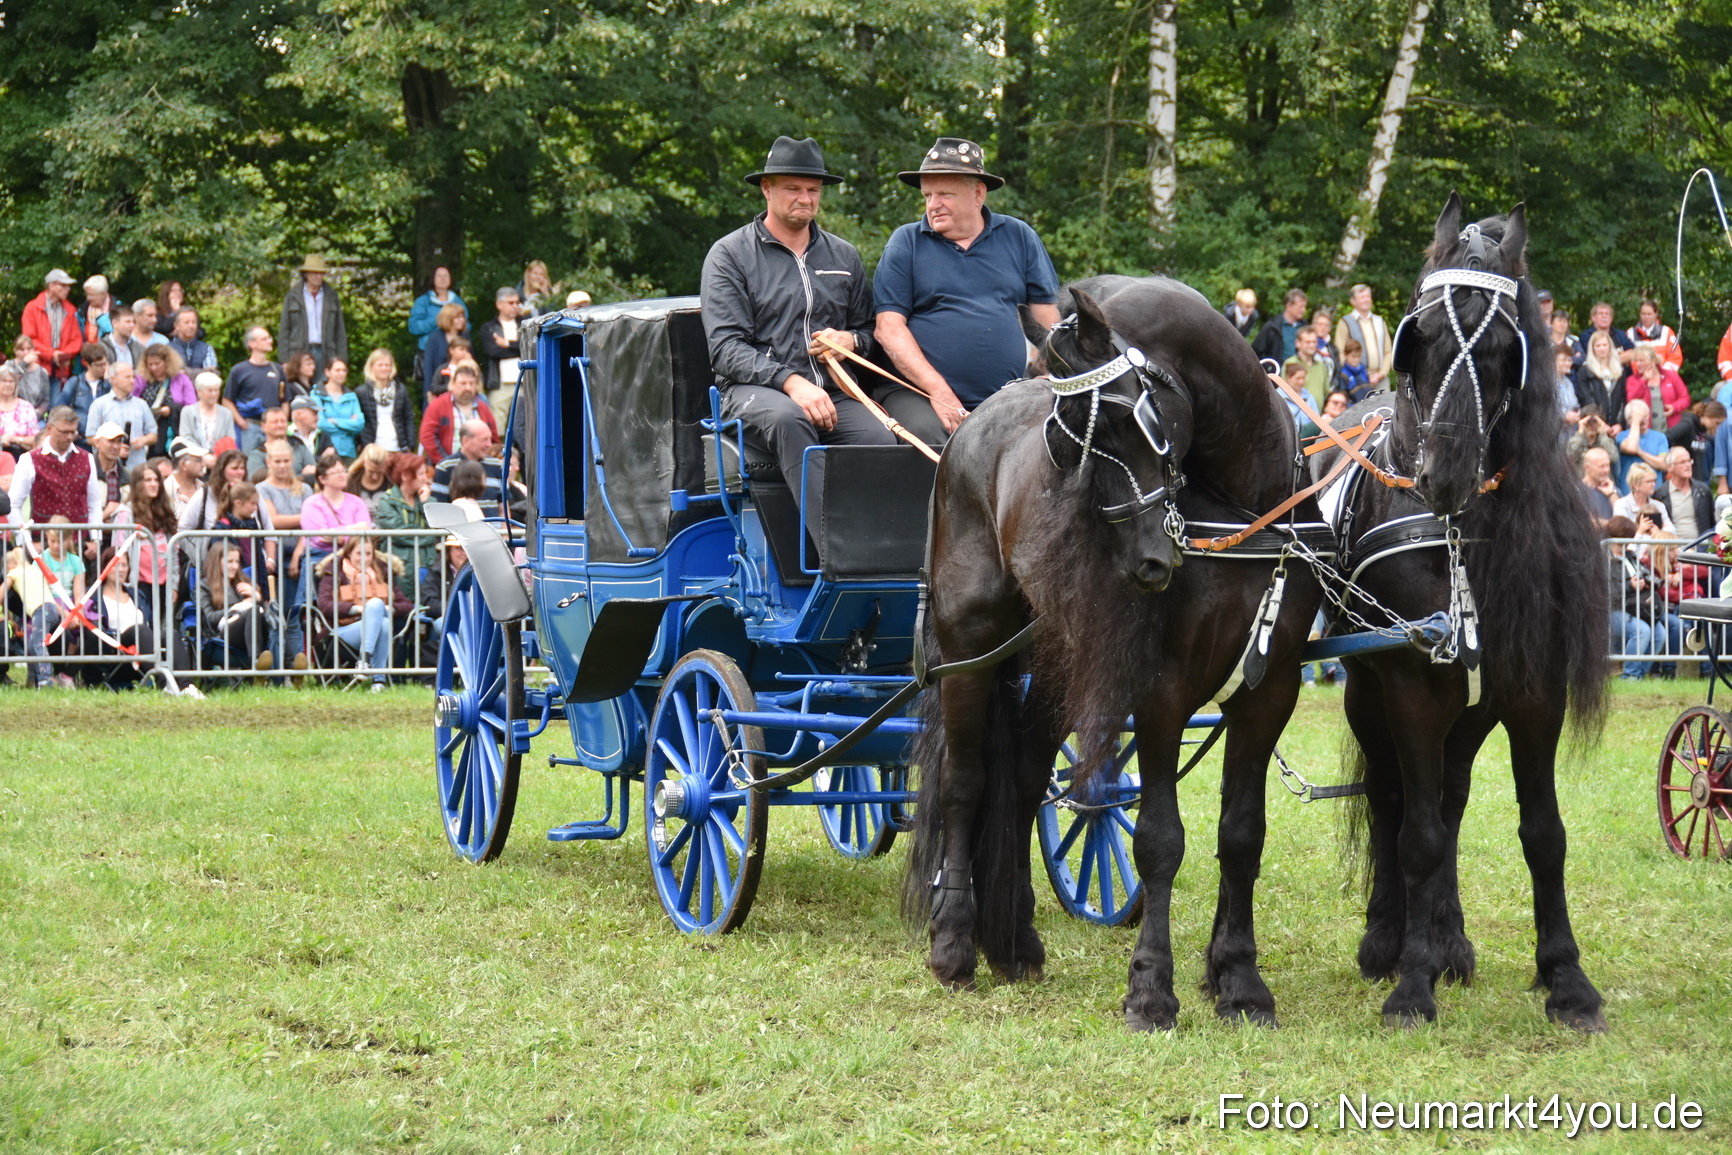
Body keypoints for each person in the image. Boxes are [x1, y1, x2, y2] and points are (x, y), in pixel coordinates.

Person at [873, 136, 1061, 441]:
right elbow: (888, 329)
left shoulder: (1018, 236)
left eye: (944, 194)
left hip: (1005, 394)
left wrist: (1051, 372)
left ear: (978, 194)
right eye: (928, 195)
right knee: (929, 434)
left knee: (1043, 440)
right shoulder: (906, 242)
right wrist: (939, 392)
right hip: (916, 394)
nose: (933, 205)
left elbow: (1049, 320)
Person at [314, 535, 409, 690]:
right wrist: (358, 609)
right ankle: (378, 679)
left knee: (382, 619)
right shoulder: (334, 571)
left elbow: (406, 605)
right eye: (359, 553)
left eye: (368, 554)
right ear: (349, 553)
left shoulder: (382, 572)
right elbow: (324, 605)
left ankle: (365, 664)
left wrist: (386, 610)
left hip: (378, 630)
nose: (364, 559)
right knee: (376, 607)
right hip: (344, 631)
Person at [9, 517, 85, 687]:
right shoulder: (41, 561)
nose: (56, 546)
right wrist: (65, 614)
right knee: (53, 632)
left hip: (72, 605)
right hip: (49, 604)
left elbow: (80, 592)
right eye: (52, 541)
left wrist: (76, 611)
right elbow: (42, 592)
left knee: (88, 634)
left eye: (61, 542)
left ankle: (69, 674)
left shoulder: (76, 561)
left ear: (69, 540)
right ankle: (48, 675)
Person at [256, 440, 311, 667]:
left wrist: (299, 552)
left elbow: (309, 529)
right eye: (277, 461)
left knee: (293, 614)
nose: (282, 466)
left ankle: (294, 666)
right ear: (268, 462)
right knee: (275, 614)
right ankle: (276, 669)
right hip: (272, 556)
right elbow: (274, 520)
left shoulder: (305, 489)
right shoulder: (262, 488)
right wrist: (307, 516)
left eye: (286, 461)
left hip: (297, 554)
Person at [7, 407, 104, 526]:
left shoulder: (87, 458)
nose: (69, 437)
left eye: (73, 432)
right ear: (49, 428)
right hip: (42, 539)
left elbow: (94, 504)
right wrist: (26, 540)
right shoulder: (29, 459)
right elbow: (13, 504)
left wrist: (95, 539)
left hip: (80, 540)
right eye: (64, 432)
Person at [109, 462, 177, 626]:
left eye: (156, 480)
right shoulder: (126, 514)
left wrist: (174, 585)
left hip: (163, 585)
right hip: (137, 585)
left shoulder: (164, 512)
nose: (154, 484)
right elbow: (118, 553)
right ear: (138, 484)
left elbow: (174, 552)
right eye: (148, 480)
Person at [197, 541, 277, 672]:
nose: (234, 566)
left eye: (237, 562)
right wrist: (238, 607)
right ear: (217, 562)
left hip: (255, 630)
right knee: (253, 611)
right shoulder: (204, 586)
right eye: (229, 562)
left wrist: (258, 598)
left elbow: (265, 614)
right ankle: (256, 663)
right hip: (226, 631)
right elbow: (210, 618)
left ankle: (291, 664)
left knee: (274, 620)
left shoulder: (243, 582)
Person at [85, 546, 155, 689]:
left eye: (124, 565)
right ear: (105, 567)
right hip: (114, 652)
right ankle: (159, 677)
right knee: (140, 630)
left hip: (142, 649)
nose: (121, 570)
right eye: (116, 565)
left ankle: (183, 685)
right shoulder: (93, 597)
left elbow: (152, 625)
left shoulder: (138, 595)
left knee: (170, 634)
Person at [278, 254, 348, 379]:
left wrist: (342, 359)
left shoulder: (331, 296)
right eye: (314, 273)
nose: (318, 276)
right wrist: (284, 360)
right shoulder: (293, 296)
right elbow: (284, 329)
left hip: (327, 352)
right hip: (298, 353)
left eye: (321, 273)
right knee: (299, 391)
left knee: (324, 390)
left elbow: (340, 331)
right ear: (306, 274)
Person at [374, 450, 437, 583]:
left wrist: (426, 503)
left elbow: (437, 527)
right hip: (399, 571)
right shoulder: (386, 501)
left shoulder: (427, 500)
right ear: (405, 475)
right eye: (421, 474)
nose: (425, 479)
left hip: (428, 566)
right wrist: (428, 535)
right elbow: (402, 534)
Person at [223, 326, 288, 452]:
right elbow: (227, 400)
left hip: (273, 428)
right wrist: (242, 423)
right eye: (264, 339)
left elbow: (285, 399)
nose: (270, 341)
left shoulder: (277, 369)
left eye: (269, 338)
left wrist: (281, 421)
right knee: (249, 464)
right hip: (250, 427)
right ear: (252, 344)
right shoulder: (239, 370)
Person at [85, 363, 158, 471]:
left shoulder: (141, 404)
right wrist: (113, 447)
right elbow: (91, 437)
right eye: (127, 377)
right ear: (113, 379)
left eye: (133, 377)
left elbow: (153, 434)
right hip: (107, 469)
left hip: (137, 468)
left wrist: (144, 440)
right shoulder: (99, 404)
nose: (132, 381)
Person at [418, 362, 496, 461]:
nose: (468, 387)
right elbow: (427, 437)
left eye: (471, 383)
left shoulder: (483, 408)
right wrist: (445, 463)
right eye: (463, 383)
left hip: (479, 467)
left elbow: (494, 439)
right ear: (452, 384)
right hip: (446, 466)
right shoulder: (437, 406)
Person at [20, 269, 84, 382]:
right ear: (52, 285)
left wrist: (64, 356)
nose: (68, 289)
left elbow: (77, 340)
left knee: (59, 400)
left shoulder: (70, 309)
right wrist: (52, 354)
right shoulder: (32, 308)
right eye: (63, 285)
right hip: (36, 368)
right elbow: (29, 340)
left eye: (68, 286)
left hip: (61, 371)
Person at [430, 419, 505, 515]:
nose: (489, 444)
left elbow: (503, 507)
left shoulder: (496, 465)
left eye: (490, 439)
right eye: (484, 440)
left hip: (494, 529)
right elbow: (439, 508)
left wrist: (505, 529)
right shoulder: (446, 467)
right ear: (466, 440)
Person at [1334, 283, 1395, 391]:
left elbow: (1388, 351)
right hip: (1357, 380)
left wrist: (1381, 374)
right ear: (1353, 301)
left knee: (1386, 407)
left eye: (1368, 296)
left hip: (1381, 380)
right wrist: (1352, 374)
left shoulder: (1379, 321)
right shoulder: (1345, 322)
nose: (1366, 300)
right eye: (1362, 297)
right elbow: (1340, 351)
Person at [137, 345, 194, 457]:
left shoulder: (181, 379)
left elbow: (191, 406)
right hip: (148, 430)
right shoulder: (142, 379)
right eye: (150, 364)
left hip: (171, 430)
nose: (153, 368)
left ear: (167, 362)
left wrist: (172, 409)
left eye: (157, 364)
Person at [179, 448, 249, 538]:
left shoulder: (252, 492)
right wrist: (198, 550)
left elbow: (267, 530)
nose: (240, 472)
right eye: (234, 468)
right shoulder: (205, 494)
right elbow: (183, 528)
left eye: (242, 468)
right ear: (222, 470)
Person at [355, 348, 414, 454]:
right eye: (380, 365)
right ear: (372, 367)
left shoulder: (400, 390)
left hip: (398, 447)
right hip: (373, 449)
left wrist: (410, 444)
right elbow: (358, 422)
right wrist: (362, 444)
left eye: (387, 365)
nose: (384, 368)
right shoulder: (361, 392)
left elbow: (408, 418)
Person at [408, 265, 466, 366]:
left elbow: (467, 326)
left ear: (450, 279)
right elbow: (414, 327)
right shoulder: (423, 301)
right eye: (439, 275)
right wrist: (439, 319)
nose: (443, 278)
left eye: (446, 275)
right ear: (432, 279)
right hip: (430, 352)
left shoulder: (458, 302)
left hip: (456, 352)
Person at [477, 286, 524, 412]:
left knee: (526, 425)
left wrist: (507, 343)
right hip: (499, 385)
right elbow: (492, 351)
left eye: (517, 303)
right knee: (497, 425)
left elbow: (531, 347)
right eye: (511, 303)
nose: (515, 306)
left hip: (525, 383)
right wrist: (518, 347)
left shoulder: (526, 324)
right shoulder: (488, 327)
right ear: (499, 304)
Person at [1656, 444, 1712, 546]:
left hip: (1700, 551)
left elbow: (1711, 524)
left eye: (1689, 461)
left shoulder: (1703, 491)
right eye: (1682, 462)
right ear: (1670, 467)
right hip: (1672, 551)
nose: (1688, 465)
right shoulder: (1660, 494)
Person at [1624, 346, 1688, 431]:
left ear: (1653, 361)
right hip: (1646, 430)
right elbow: (1630, 400)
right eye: (1636, 360)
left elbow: (1685, 398)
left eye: (1641, 360)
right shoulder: (1632, 380)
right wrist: (1644, 380)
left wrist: (1674, 407)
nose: (1638, 364)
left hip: (1672, 429)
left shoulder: (1671, 376)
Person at [179, 371, 239, 459]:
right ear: (199, 392)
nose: (214, 394)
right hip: (195, 459)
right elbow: (186, 438)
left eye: (216, 390)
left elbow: (230, 438)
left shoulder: (226, 413)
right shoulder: (187, 411)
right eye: (210, 391)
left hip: (219, 460)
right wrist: (203, 456)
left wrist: (216, 457)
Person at [314, 357, 364, 460]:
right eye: (337, 370)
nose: (341, 373)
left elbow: (359, 424)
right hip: (326, 451)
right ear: (327, 372)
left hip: (348, 451)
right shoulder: (317, 394)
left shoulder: (351, 396)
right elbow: (320, 423)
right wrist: (349, 424)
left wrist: (335, 421)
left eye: (344, 370)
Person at [50, 343, 107, 432]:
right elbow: (59, 408)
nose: (104, 368)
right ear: (88, 364)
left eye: (105, 364)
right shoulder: (75, 383)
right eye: (99, 365)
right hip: (80, 438)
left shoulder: (108, 384)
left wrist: (111, 381)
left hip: (104, 436)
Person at [1666, 399, 1724, 483]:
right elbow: (1666, 437)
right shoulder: (1687, 424)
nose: (1718, 427)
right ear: (1710, 416)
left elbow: (1705, 438)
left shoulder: (1702, 429)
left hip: (1699, 479)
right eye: (1717, 423)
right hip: (1684, 480)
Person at [1574, 330, 1622, 429]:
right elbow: (1586, 399)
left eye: (1605, 345)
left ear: (1610, 346)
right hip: (1594, 426)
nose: (1602, 348)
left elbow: (1623, 400)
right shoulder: (1585, 371)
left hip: (1616, 427)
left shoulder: (1620, 370)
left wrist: (1620, 424)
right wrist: (1601, 424)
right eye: (1598, 345)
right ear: (1593, 348)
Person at [1618, 399, 1669, 491]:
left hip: (1654, 492)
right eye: (1638, 417)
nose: (1643, 419)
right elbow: (1631, 448)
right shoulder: (1622, 436)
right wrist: (1635, 422)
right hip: (1630, 492)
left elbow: (1663, 464)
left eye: (1645, 415)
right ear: (1628, 420)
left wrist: (1640, 452)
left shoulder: (1660, 437)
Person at [286, 394, 337, 484]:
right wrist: (322, 459)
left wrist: (313, 467)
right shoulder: (285, 436)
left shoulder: (323, 434)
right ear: (299, 414)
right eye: (314, 413)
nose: (317, 418)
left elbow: (333, 460)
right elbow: (292, 464)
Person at [421, 302, 468, 397]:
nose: (462, 320)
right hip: (439, 387)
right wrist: (429, 391)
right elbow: (428, 366)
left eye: (463, 317)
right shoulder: (435, 337)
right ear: (448, 319)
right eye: (458, 317)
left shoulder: (465, 336)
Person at [1612, 462, 1674, 533]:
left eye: (1654, 481)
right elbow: (1623, 531)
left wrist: (1658, 532)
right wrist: (1641, 529)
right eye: (1648, 482)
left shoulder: (1659, 506)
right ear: (1636, 485)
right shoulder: (1621, 504)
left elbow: (1672, 530)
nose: (1653, 484)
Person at [87, 423, 131, 523]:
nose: (116, 446)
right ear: (97, 442)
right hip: (90, 534)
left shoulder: (128, 476)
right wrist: (103, 516)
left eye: (119, 442)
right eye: (111, 441)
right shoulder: (85, 471)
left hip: (119, 535)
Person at [1252, 289, 1308, 366]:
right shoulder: (1272, 327)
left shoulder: (1305, 327)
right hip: (1278, 374)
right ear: (1289, 306)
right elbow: (1255, 352)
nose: (1303, 310)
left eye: (1304, 306)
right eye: (1301, 306)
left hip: (1301, 373)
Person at [1626, 298, 1683, 373]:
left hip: (1662, 378)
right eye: (1643, 314)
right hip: (1637, 379)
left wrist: (1663, 374)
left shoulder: (1666, 332)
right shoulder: (1630, 333)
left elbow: (1675, 357)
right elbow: (1627, 359)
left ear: (1656, 314)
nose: (1646, 317)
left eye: (1649, 314)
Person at [0, 364, 40, 463]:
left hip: (20, 456)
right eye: (4, 381)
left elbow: (36, 439)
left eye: (11, 381)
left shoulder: (26, 407)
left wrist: (15, 439)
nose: (7, 385)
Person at [4, 335, 54, 414]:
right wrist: (23, 364)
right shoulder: (8, 366)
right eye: (22, 349)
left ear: (33, 350)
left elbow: (45, 401)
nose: (26, 352)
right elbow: (9, 382)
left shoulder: (42, 372)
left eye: (29, 349)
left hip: (34, 414)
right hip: (10, 412)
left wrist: (34, 415)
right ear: (15, 351)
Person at [1579, 301, 1634, 369]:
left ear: (1611, 318)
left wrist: (1608, 358)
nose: (1604, 316)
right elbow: (1595, 358)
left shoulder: (1621, 334)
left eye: (1607, 314)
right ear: (1593, 318)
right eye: (1600, 313)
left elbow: (1632, 353)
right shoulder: (1586, 336)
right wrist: (1621, 356)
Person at [1284, 328, 1329, 408]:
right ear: (1298, 343)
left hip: (1318, 416)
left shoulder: (1321, 365)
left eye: (1314, 342)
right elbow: (1283, 391)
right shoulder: (1290, 363)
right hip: (1296, 415)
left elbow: (1326, 392)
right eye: (1308, 342)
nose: (1312, 345)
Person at [1566, 405, 1618, 474]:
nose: (1591, 425)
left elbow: (1613, 457)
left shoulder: (1605, 441)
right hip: (1581, 481)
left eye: (1595, 421)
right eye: (1588, 421)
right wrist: (1580, 432)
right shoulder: (1576, 440)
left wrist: (1603, 434)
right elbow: (1570, 456)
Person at [347, 443, 394, 517]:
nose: (375, 477)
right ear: (364, 462)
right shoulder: (351, 481)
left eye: (379, 472)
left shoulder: (392, 482)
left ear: (386, 464)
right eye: (371, 471)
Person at [244, 406, 293, 477]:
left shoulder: (298, 446)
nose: (280, 425)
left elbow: (313, 472)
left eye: (283, 421)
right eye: (275, 422)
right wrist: (302, 477)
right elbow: (256, 479)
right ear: (263, 427)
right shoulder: (257, 454)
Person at [166, 437, 208, 520]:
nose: (203, 464)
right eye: (197, 461)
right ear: (183, 464)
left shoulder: (204, 488)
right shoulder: (165, 490)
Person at [167, 306, 217, 372]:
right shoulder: (167, 350)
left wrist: (185, 372)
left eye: (193, 322)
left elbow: (210, 375)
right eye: (186, 322)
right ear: (176, 326)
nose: (191, 326)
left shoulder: (206, 349)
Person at [100, 304, 145, 370]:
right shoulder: (101, 348)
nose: (132, 325)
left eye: (133, 322)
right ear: (115, 323)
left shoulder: (139, 348)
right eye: (128, 322)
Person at [1579, 445, 1617, 523]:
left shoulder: (1613, 490)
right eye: (1601, 466)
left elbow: (1623, 518)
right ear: (1587, 468)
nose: (1606, 470)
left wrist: (1611, 494)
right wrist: (1612, 525)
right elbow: (1586, 521)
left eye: (1608, 465)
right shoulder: (1577, 491)